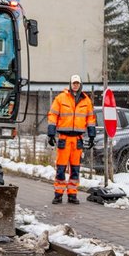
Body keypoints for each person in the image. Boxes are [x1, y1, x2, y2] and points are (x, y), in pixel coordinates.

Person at [46, 74, 96, 204]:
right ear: (70, 84)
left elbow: (90, 119)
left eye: (77, 83)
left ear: (80, 85)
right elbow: (53, 115)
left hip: (78, 139)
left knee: (75, 169)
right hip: (64, 138)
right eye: (73, 83)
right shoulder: (60, 98)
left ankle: (72, 195)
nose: (75, 85)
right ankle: (58, 195)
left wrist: (92, 136)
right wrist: (51, 134)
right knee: (61, 168)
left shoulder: (86, 101)